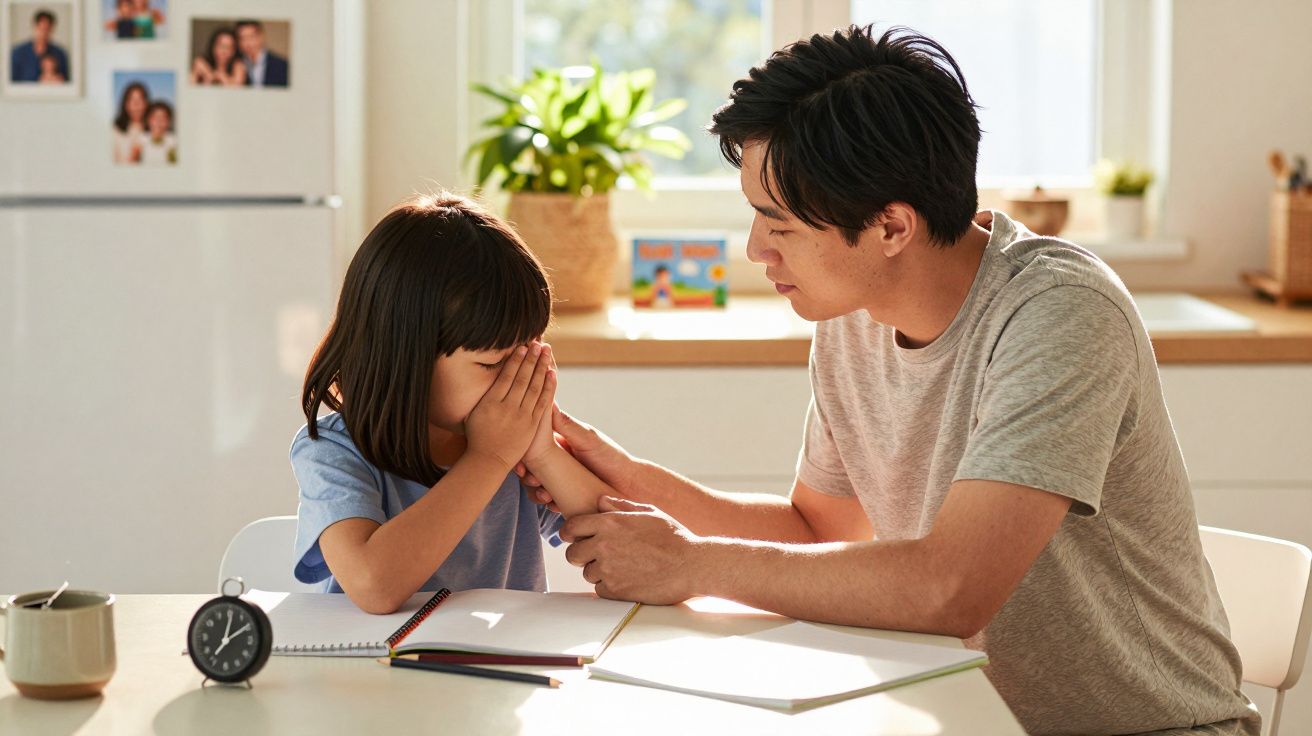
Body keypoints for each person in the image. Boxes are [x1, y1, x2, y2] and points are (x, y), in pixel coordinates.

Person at [525, 25, 1260, 736]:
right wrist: (632, 478)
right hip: (957, 719)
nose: (755, 250)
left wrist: (690, 565)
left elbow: (953, 590)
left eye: (777, 225)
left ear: (891, 228)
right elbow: (819, 532)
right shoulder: (855, 311)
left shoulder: (1060, 314)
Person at [291, 193, 613, 614]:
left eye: (526, 355)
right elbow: (374, 585)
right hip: (376, 674)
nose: (515, 381)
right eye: (493, 363)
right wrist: (488, 458)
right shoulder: (332, 451)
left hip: (501, 672)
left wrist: (542, 453)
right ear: (408, 357)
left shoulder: (517, 446)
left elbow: (622, 542)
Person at [10, 9, 68, 83]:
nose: (44, 33)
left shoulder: (60, 54)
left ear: (52, 29)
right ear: (34, 26)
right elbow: (11, 84)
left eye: (47, 29)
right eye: (41, 29)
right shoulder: (17, 53)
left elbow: (67, 83)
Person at [235, 19, 288, 88]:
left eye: (251, 37)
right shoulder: (236, 64)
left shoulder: (282, 65)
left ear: (261, 37)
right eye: (243, 38)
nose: (247, 43)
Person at [111, 82, 149, 164]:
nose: (136, 105)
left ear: (146, 103)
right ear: (125, 104)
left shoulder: (154, 128)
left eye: (140, 100)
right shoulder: (115, 130)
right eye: (132, 100)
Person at [139, 101, 176, 165]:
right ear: (148, 120)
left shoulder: (173, 140)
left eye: (163, 118)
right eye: (155, 118)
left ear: (169, 122)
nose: (159, 122)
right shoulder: (141, 139)